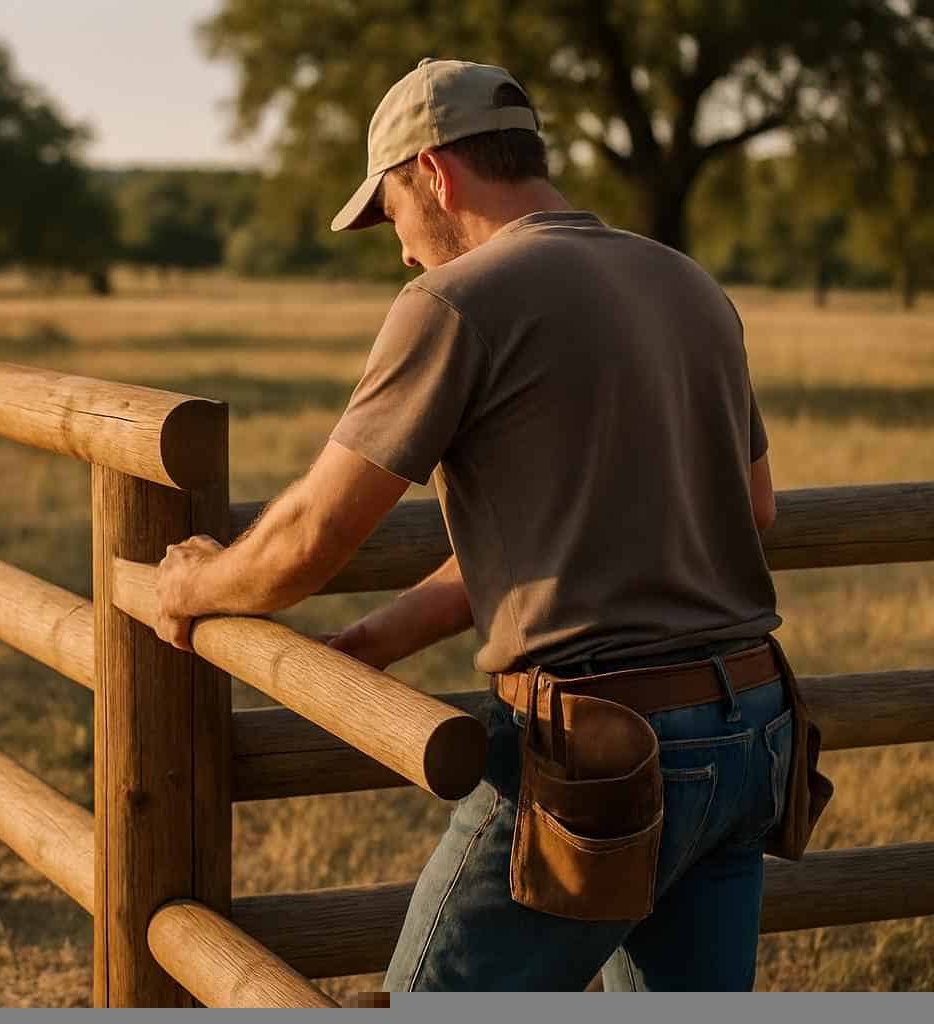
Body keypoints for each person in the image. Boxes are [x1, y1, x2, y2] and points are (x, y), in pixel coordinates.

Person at [151, 58, 800, 991]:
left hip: (596, 748)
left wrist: (189, 586)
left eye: (391, 213)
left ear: (435, 172)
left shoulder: (455, 301)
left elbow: (311, 537)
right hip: (754, 731)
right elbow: (754, 507)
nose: (402, 250)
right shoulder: (687, 282)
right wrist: (377, 638)